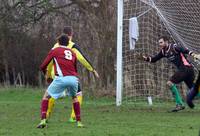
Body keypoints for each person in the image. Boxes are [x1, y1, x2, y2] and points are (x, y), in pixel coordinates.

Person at [46, 26, 99, 122]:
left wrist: (48, 74)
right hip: (69, 74)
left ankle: (47, 114)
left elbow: (49, 61)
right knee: (78, 94)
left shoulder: (55, 46)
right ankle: (73, 117)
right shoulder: (72, 46)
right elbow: (82, 58)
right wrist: (92, 69)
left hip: (56, 73)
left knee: (51, 94)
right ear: (71, 35)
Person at [37, 34, 83, 128]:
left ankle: (43, 121)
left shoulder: (55, 51)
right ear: (68, 43)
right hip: (74, 79)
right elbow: (75, 67)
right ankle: (79, 122)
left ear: (58, 42)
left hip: (61, 78)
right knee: (74, 98)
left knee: (46, 96)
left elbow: (43, 65)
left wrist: (46, 75)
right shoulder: (72, 52)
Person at [142, 36, 197, 112]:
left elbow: (185, 50)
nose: (160, 44)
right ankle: (180, 104)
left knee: (169, 83)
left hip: (185, 68)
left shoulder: (174, 47)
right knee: (194, 90)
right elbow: (154, 59)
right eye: (159, 43)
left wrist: (193, 54)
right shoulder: (163, 52)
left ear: (166, 41)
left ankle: (179, 104)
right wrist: (146, 59)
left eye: (161, 42)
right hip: (188, 70)